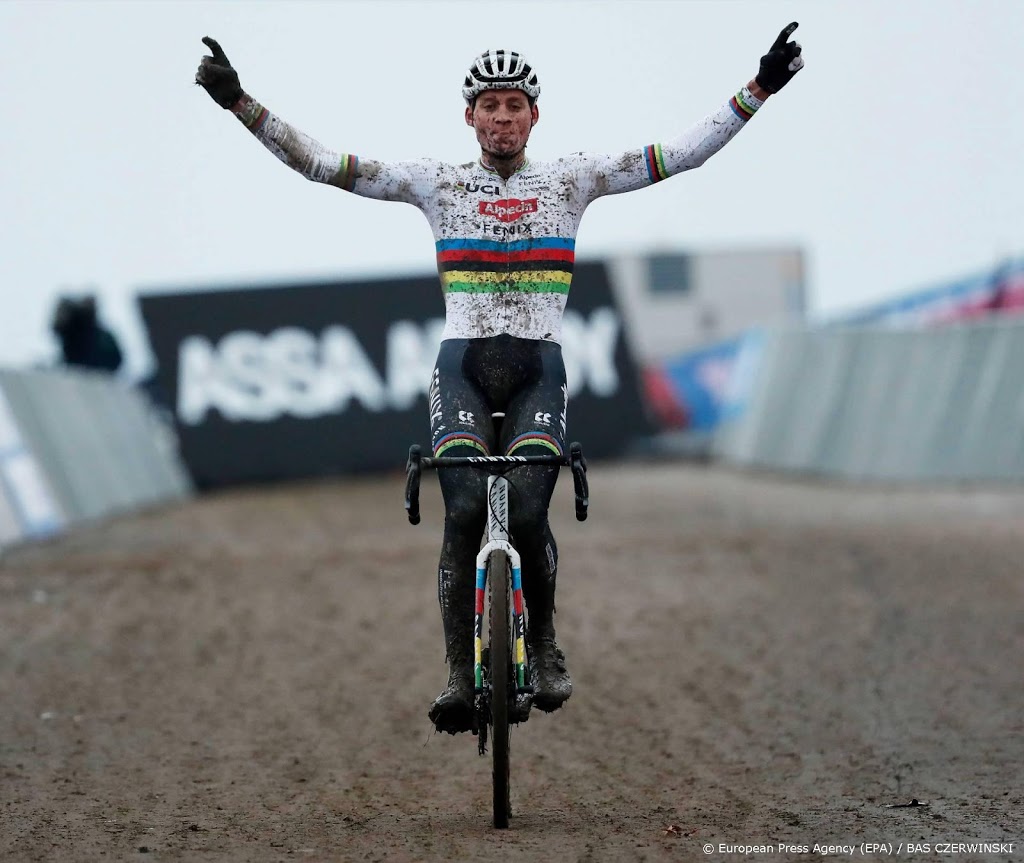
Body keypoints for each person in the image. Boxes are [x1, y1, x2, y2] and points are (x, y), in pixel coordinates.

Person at [195, 27, 805, 734]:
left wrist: (756, 91)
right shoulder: (438, 182)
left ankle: (543, 646)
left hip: (537, 369)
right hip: (463, 367)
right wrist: (240, 102)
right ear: (470, 117)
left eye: (516, 104)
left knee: (528, 507)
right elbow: (326, 167)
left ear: (534, 116)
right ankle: (459, 672)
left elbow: (679, 156)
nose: (504, 117)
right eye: (491, 105)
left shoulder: (572, 179)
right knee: (459, 514)